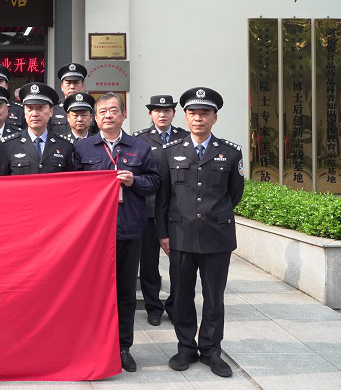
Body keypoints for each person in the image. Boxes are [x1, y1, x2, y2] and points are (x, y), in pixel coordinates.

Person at [156, 87, 244, 378]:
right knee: (182, 295)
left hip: (217, 236)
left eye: (204, 113)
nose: (198, 118)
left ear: (214, 118)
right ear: (185, 117)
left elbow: (235, 193)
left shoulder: (230, 152)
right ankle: (186, 347)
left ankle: (211, 350)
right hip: (180, 235)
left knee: (214, 297)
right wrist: (163, 232)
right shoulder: (170, 152)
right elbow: (163, 197)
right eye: (193, 113)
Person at [72, 92, 160, 373]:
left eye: (113, 110)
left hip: (127, 230)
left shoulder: (140, 147)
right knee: (91, 292)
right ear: (95, 118)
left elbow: (155, 182)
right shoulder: (83, 148)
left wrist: (135, 181)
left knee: (124, 292)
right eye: (102, 111)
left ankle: (123, 347)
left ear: (124, 115)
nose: (108, 115)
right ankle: (90, 346)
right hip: (93, 234)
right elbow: (73, 188)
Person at [133, 94, 188, 327]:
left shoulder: (185, 138)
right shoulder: (139, 140)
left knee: (180, 263)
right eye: (157, 111)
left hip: (176, 211)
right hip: (147, 211)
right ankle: (153, 306)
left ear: (174, 113)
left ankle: (175, 305)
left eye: (167, 110)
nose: (162, 114)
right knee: (148, 264)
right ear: (150, 114)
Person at [0, 83, 74, 175]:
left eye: (40, 108)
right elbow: (2, 181)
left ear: (51, 111)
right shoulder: (8, 145)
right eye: (30, 108)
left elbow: (71, 180)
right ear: (24, 112)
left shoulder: (65, 145)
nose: (34, 114)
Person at [50, 62, 89, 135]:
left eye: (76, 83)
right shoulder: (53, 110)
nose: (72, 87)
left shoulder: (91, 109)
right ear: (62, 86)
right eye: (68, 83)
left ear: (82, 86)